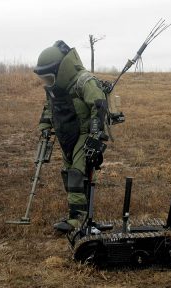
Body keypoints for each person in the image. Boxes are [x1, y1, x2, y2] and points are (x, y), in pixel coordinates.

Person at [33, 40, 108, 233]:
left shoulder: (84, 81)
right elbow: (49, 108)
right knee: (68, 173)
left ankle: (79, 218)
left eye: (49, 77)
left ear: (60, 69)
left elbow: (98, 105)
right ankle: (75, 213)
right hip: (67, 136)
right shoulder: (55, 89)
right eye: (45, 79)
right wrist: (44, 126)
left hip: (85, 134)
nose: (48, 82)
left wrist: (95, 134)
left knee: (77, 171)